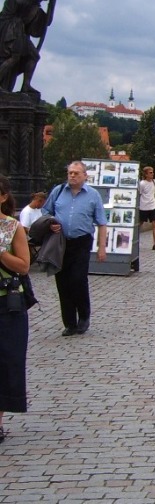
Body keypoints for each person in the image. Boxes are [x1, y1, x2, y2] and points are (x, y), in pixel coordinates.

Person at [41, 161, 107, 336]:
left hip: (82, 241)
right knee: (62, 282)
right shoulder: (58, 191)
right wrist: (51, 223)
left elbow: (101, 222)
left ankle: (84, 317)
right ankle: (69, 322)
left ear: (85, 176)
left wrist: (102, 247)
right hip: (61, 242)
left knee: (78, 279)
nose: (72, 176)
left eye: (76, 173)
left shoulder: (93, 195)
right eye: (70, 172)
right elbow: (46, 212)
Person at [0, 175, 31, 443]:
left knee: (5, 360)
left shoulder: (12, 227)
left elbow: (23, 266)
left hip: (6, 302)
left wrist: (1, 253)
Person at [138, 166, 155, 250]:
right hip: (144, 206)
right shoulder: (142, 183)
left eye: (153, 172)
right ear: (146, 174)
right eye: (150, 172)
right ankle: (136, 240)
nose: (152, 174)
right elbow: (140, 194)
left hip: (153, 205)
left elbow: (153, 193)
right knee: (140, 223)